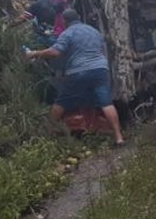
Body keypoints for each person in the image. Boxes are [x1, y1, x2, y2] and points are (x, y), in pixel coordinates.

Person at [25, 9, 125, 147]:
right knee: (106, 103)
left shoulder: (68, 33)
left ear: (64, 21)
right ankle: (119, 138)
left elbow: (55, 52)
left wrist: (35, 53)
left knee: (61, 102)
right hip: (100, 69)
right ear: (78, 17)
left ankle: (48, 135)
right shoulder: (93, 31)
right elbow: (102, 51)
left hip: (79, 71)